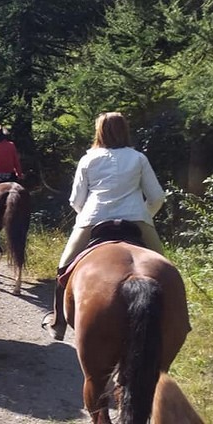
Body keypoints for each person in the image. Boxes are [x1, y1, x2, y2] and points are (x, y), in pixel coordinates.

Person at [43, 111, 166, 341]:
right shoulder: (139, 158)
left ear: (99, 132)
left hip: (94, 218)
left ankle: (58, 322)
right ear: (125, 130)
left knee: (64, 267)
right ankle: (177, 320)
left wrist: (87, 216)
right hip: (136, 217)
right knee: (166, 268)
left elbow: (76, 201)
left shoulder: (88, 159)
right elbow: (157, 197)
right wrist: (144, 215)